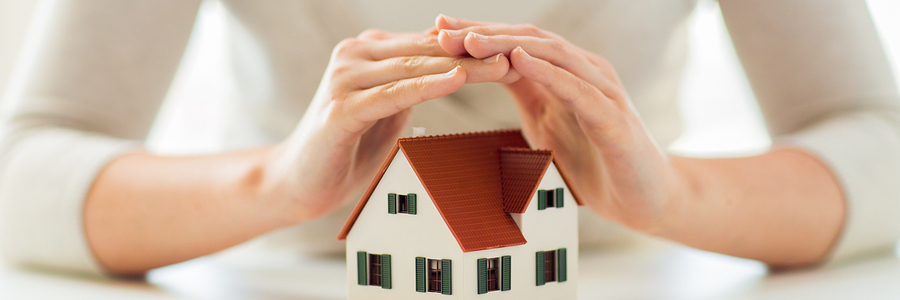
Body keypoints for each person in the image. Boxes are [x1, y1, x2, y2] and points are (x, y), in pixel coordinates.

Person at [1, 0, 897, 276]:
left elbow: (878, 138)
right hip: (277, 274)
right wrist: (277, 186)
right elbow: (25, 164)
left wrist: (669, 194)